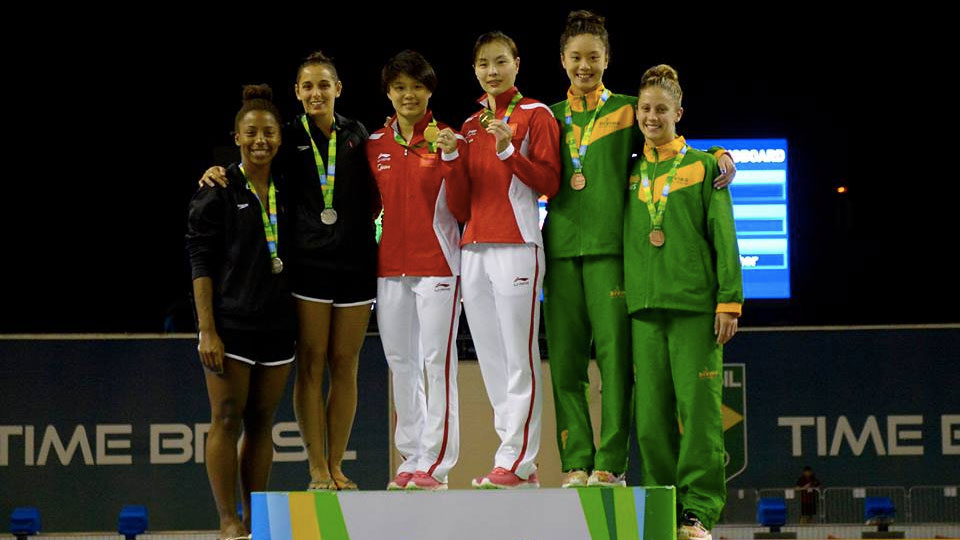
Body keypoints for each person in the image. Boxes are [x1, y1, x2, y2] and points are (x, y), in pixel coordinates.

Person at [544, 10, 737, 488]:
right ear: (562, 60)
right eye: (575, 57)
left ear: (607, 58)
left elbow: (668, 144)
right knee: (566, 366)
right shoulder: (547, 117)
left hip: (612, 256)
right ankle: (575, 462)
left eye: (593, 57)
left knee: (615, 366)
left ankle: (609, 462)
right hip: (560, 252)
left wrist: (716, 156)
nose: (584, 66)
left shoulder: (628, 110)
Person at [200, 51, 380, 491]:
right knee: (313, 363)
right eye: (307, 86)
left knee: (346, 364)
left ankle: (337, 464)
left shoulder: (357, 134)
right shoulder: (284, 136)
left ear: (339, 88)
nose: (316, 93)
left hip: (356, 265)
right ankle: (316, 468)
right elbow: (251, 167)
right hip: (309, 269)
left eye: (324, 85)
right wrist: (216, 171)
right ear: (297, 93)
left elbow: (375, 195)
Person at [624, 65, 743, 540]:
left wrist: (729, 301)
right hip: (645, 309)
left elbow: (724, 237)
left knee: (698, 416)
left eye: (661, 110)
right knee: (650, 420)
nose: (652, 117)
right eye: (646, 109)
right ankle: (662, 506)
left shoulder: (704, 166)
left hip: (695, 307)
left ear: (679, 113)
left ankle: (697, 512)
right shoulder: (630, 170)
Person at [444, 31, 562, 489]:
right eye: (483, 64)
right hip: (473, 249)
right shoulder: (470, 125)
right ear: (474, 70)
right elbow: (459, 206)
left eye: (500, 62)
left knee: (520, 357)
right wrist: (452, 158)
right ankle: (510, 458)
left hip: (517, 245)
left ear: (517, 63)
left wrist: (509, 150)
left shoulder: (535, 114)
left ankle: (519, 457)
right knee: (492, 360)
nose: (492, 71)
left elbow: (549, 181)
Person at [186, 84, 295, 538]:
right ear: (236, 137)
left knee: (262, 422)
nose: (260, 141)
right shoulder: (219, 189)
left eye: (268, 132)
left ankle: (256, 519)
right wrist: (206, 330)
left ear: (279, 137)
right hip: (231, 327)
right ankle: (227, 519)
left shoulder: (292, 187)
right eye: (251, 133)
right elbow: (201, 263)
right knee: (227, 418)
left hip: (278, 327)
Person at [366, 50, 467, 491]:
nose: (408, 95)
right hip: (389, 268)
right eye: (400, 87)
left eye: (416, 87)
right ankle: (412, 458)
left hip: (439, 265)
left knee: (436, 362)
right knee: (401, 362)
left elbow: (465, 205)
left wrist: (451, 160)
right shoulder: (374, 145)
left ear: (430, 91)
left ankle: (438, 463)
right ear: (388, 92)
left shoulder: (450, 138)